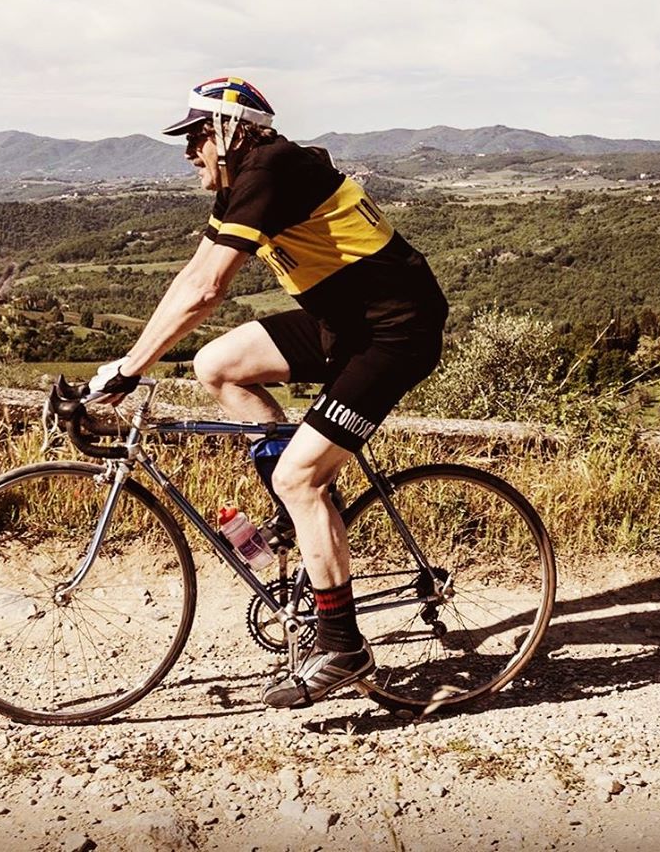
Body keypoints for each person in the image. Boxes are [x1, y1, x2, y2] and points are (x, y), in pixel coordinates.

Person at [88, 76, 448, 708]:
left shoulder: (272, 167)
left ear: (229, 132)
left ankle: (342, 647)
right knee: (218, 364)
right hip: (345, 324)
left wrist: (128, 374)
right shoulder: (256, 176)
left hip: (395, 333)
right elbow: (190, 277)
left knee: (299, 479)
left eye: (195, 136)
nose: (187, 153)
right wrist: (129, 360)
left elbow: (207, 289)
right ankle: (303, 509)